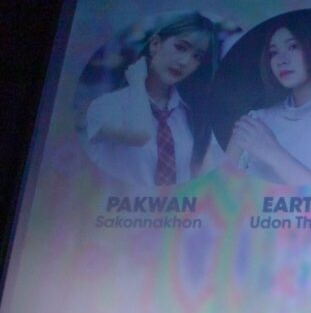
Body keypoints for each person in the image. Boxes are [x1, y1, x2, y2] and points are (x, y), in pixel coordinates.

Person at [225, 10, 311, 184]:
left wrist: (272, 153)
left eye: (293, 46)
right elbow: (218, 193)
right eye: (273, 52)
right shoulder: (255, 122)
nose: (281, 60)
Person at [84, 12, 220, 186]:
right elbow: (139, 134)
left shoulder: (193, 114)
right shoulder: (108, 105)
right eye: (180, 47)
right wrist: (137, 83)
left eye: (197, 57)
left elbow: (203, 180)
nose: (185, 61)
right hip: (120, 204)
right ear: (155, 44)